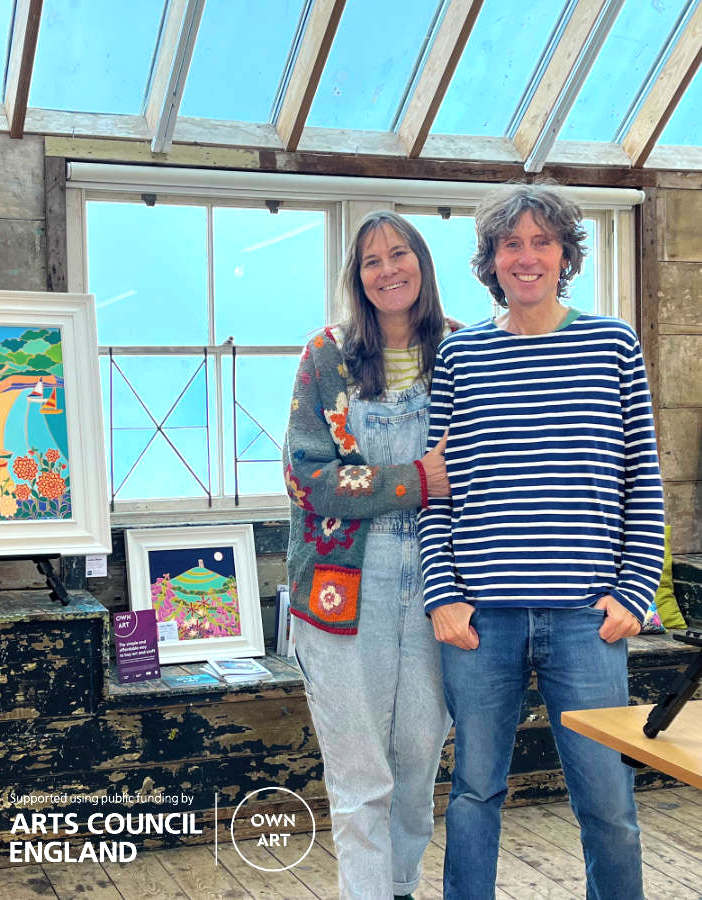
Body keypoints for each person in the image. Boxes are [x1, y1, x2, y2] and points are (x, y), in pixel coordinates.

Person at [419, 184, 665, 900]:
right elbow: (439, 490)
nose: (527, 258)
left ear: (565, 256)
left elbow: (642, 483)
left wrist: (634, 591)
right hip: (480, 622)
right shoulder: (461, 357)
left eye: (542, 242)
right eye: (511, 244)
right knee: (473, 795)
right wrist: (443, 596)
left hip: (587, 619)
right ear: (491, 261)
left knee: (609, 806)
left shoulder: (612, 344)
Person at [283, 210, 456, 900]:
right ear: (357, 278)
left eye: (400, 253)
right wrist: (414, 482)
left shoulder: (465, 352)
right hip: (342, 581)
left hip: (444, 576)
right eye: (371, 260)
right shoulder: (327, 355)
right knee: (362, 775)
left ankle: (401, 887)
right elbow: (306, 476)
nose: (388, 269)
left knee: (417, 763)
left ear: (422, 262)